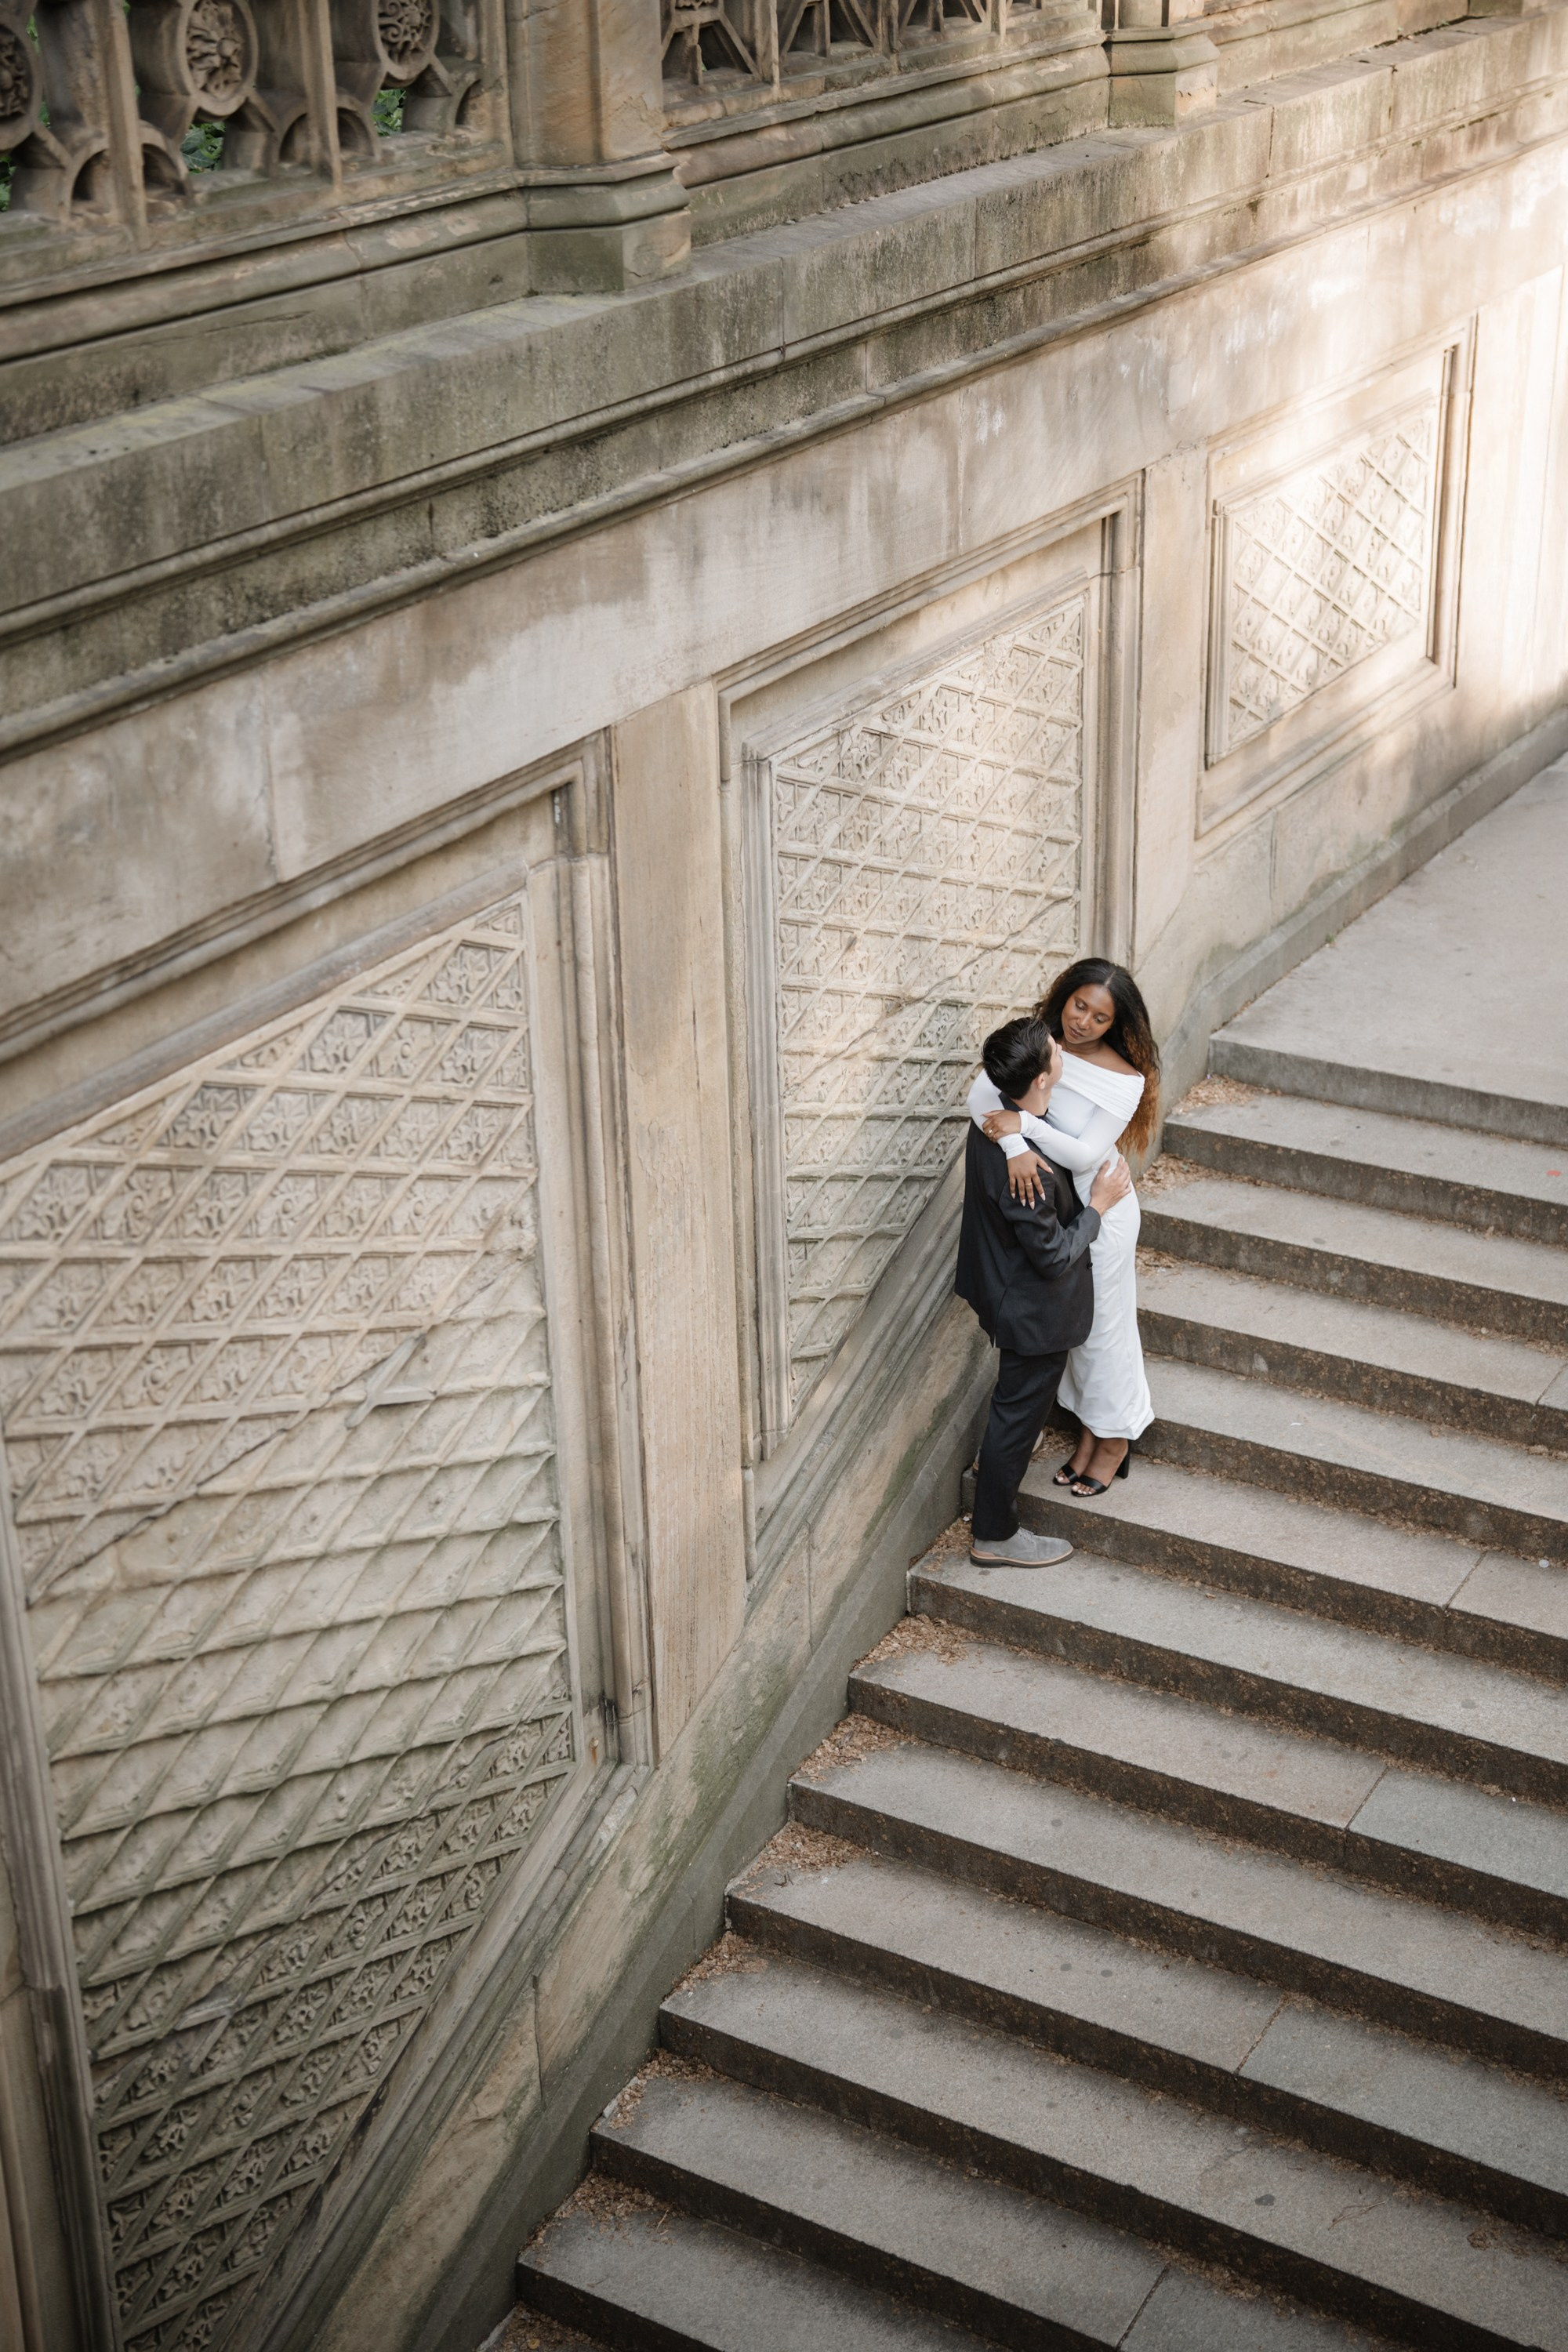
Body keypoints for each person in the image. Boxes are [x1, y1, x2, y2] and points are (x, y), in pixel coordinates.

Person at [966, 959, 1159, 1497]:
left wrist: (1022, 1126)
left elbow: (1085, 1154)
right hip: (1058, 1217)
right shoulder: (1041, 1040)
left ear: (1116, 1024)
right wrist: (1011, 1148)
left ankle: (1114, 1438)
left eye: (1100, 1018)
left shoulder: (1126, 1079)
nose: (1083, 1024)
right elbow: (979, 1097)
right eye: (1079, 1006)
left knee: (1102, 1332)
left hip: (1103, 1207)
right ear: (1064, 996)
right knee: (1074, 1335)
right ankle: (1090, 1432)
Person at [956, 1014, 1132, 1566]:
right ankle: (995, 1536)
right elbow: (1054, 1252)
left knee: (1015, 1412)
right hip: (1035, 1313)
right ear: (1040, 1080)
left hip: (1008, 1290)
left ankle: (999, 1472)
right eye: (1053, 1048)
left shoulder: (1001, 1122)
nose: (1061, 1046)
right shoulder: (1026, 1173)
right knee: (1016, 1419)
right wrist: (1100, 1204)